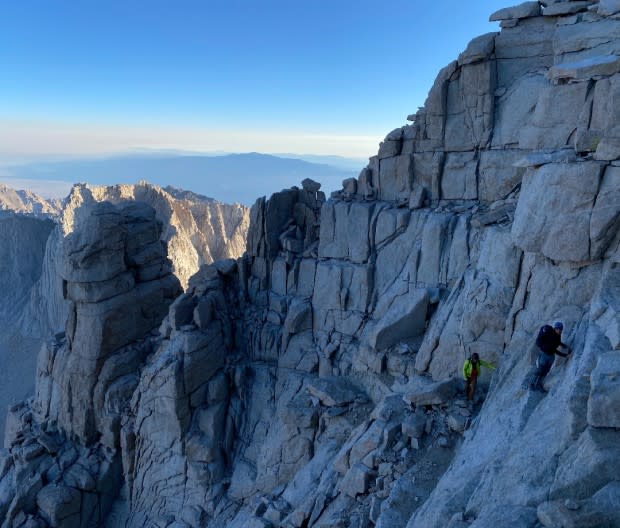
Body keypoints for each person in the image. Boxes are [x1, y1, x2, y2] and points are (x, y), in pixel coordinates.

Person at [529, 321, 570, 392]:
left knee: (545, 372)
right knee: (539, 371)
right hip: (544, 355)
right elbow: (554, 349)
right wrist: (564, 355)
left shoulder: (558, 336)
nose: (560, 331)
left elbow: (557, 343)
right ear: (555, 328)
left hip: (551, 357)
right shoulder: (551, 335)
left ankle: (538, 385)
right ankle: (532, 384)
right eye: (559, 329)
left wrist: (564, 346)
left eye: (561, 329)